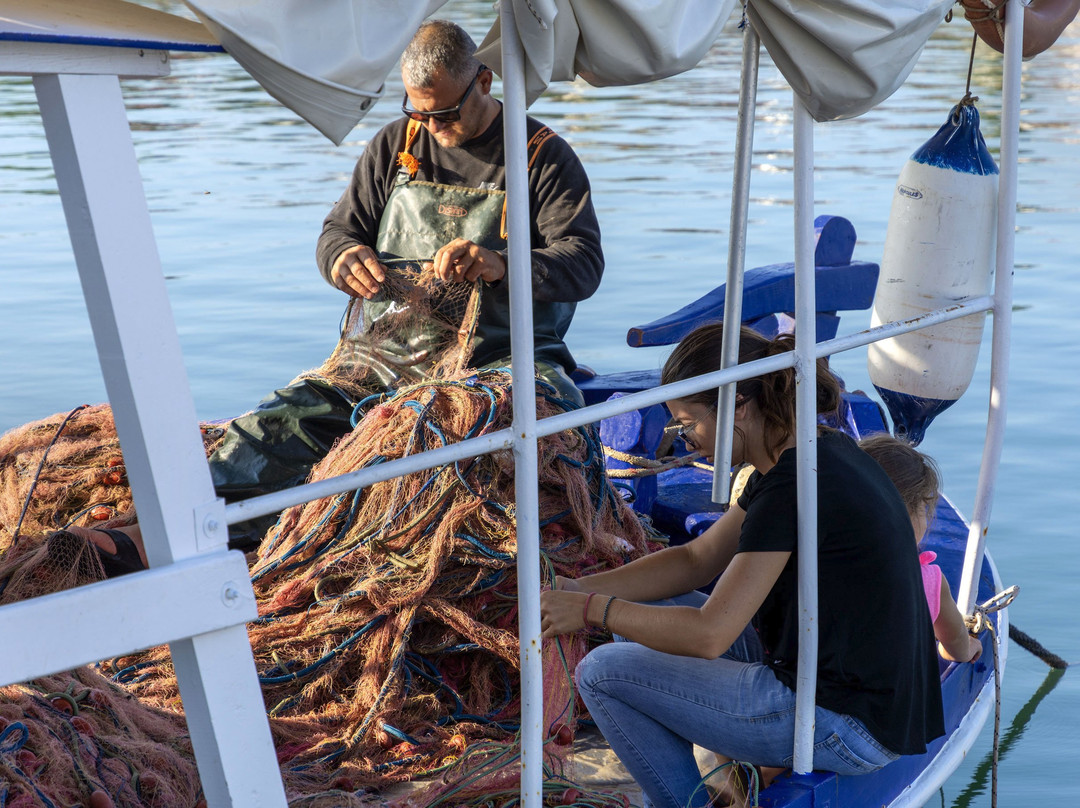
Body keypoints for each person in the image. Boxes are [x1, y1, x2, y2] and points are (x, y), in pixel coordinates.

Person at [540, 323, 945, 808]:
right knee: (651, 607)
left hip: (846, 724)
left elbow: (709, 635)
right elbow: (696, 558)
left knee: (601, 672)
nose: (685, 440)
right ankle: (723, 782)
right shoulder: (814, 453)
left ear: (738, 406)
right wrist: (577, 587)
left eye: (687, 423)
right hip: (862, 698)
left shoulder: (790, 488)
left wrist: (591, 609)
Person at [205, 18, 603, 510]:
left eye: (446, 113)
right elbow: (338, 232)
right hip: (383, 361)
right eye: (419, 112)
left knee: (536, 426)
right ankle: (199, 527)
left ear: (485, 81)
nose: (433, 127)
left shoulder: (542, 156)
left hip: (504, 360)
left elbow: (584, 264)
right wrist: (341, 258)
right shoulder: (394, 145)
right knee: (277, 425)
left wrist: (501, 265)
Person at [858, 433, 983, 665]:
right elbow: (956, 645)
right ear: (906, 516)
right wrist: (968, 648)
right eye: (924, 508)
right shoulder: (926, 581)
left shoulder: (814, 563)